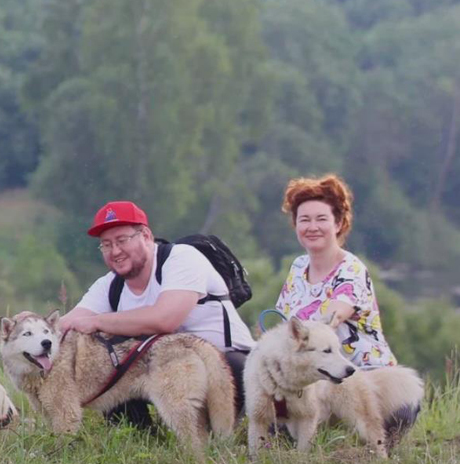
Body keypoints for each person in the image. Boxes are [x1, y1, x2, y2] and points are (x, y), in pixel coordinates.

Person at [59, 201, 255, 423]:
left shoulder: (182, 258)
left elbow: (165, 320)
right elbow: (65, 325)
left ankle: (230, 434)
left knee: (230, 374)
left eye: (122, 240)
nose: (115, 251)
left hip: (223, 362)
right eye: (106, 244)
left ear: (146, 236)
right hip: (163, 370)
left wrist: (98, 321)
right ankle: (136, 443)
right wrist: (26, 327)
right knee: (108, 370)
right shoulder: (109, 285)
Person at [276, 174, 397, 368]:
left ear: (338, 224)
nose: (312, 227)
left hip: (367, 376)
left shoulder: (351, 269)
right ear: (296, 224)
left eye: (321, 219)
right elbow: (283, 323)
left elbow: (333, 318)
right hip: (315, 377)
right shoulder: (298, 267)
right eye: (305, 220)